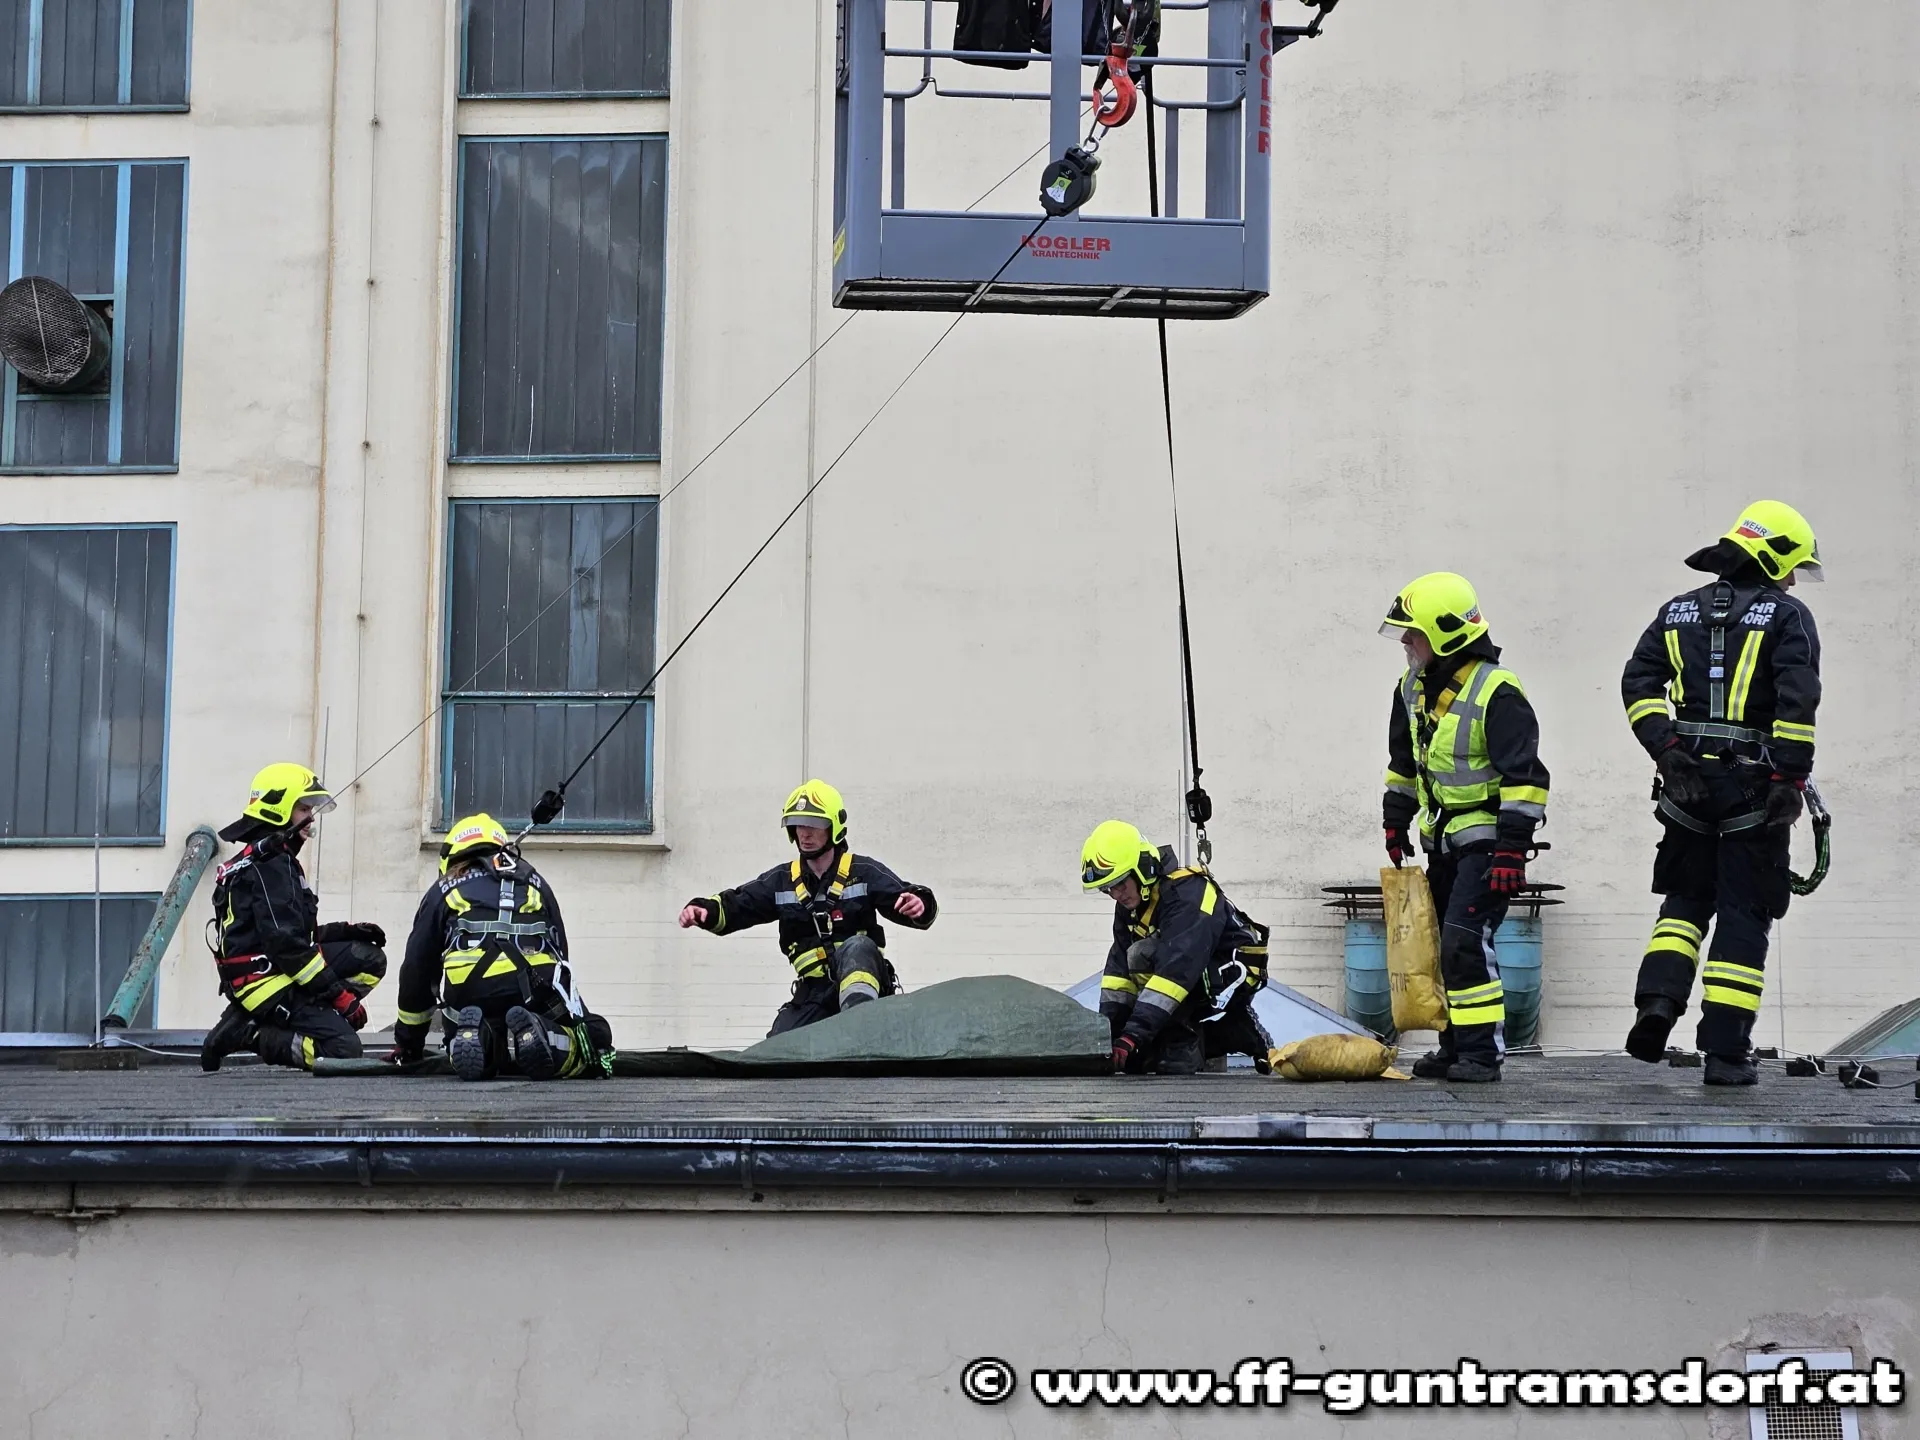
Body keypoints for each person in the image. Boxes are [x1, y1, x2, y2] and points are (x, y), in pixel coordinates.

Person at [1619, 501, 1824, 1086]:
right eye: (1792, 567)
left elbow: (1638, 683)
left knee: (1684, 904)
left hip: (1687, 789)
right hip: (1754, 790)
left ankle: (1657, 1005)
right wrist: (1790, 779)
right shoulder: (1788, 616)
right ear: (1773, 557)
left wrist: (1666, 751)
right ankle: (1727, 1053)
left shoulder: (1676, 610)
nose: (1792, 581)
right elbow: (1797, 703)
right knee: (1743, 911)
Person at [1379, 573, 1551, 1083]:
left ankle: (1481, 1055)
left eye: (1413, 634)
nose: (1406, 643)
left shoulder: (1497, 691)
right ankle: (1454, 1048)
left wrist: (1512, 851)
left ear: (1445, 634)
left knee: (1464, 940)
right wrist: (1395, 823)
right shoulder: (1411, 689)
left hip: (1488, 845)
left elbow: (1526, 779)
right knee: (1443, 946)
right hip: (1443, 843)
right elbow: (1404, 764)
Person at [678, 780, 937, 1034]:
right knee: (779, 1049)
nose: (805, 833)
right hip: (814, 994)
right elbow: (739, 904)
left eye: (814, 824)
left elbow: (909, 898)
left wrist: (920, 905)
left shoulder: (863, 872)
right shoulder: (781, 881)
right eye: (798, 824)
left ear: (834, 827)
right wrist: (706, 911)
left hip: (864, 988)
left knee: (858, 946)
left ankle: (860, 1027)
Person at [389, 813, 612, 1081]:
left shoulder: (443, 888)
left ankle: (477, 1040)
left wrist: (409, 1044)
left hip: (468, 988)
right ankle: (546, 1037)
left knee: (471, 1025)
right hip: (532, 986)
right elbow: (560, 952)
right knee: (591, 1039)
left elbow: (417, 968)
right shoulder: (535, 881)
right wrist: (577, 1020)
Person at [200, 763, 387, 1072]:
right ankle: (252, 1033)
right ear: (279, 809)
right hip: (266, 981)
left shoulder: (268, 858)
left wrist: (345, 931)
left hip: (279, 968)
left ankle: (301, 1013)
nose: (310, 817)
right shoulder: (271, 864)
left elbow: (289, 934)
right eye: (303, 808)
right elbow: (287, 946)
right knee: (343, 1051)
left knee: (369, 958)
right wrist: (340, 998)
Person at [1080, 820, 1274, 1075]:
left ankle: (1185, 1038)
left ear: (1142, 870)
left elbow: (1176, 970)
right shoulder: (1132, 904)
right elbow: (1118, 972)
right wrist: (1110, 1036)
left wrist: (1133, 1035)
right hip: (1184, 975)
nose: (1116, 894)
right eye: (1107, 889)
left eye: (1120, 884)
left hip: (1229, 974)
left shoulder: (1188, 894)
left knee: (1141, 955)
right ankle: (1236, 1033)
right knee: (1138, 1061)